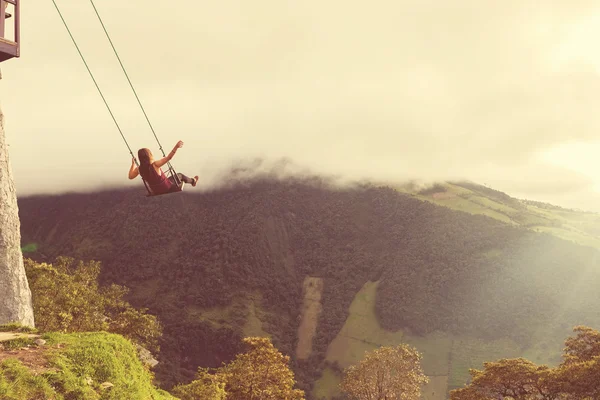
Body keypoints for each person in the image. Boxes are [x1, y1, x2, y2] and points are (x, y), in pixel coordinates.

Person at [128, 140, 198, 195]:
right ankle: (193, 181)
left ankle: (193, 181)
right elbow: (169, 157)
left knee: (167, 180)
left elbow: (130, 177)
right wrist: (176, 147)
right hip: (166, 188)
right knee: (180, 175)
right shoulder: (155, 165)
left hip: (155, 190)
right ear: (149, 155)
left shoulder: (139, 169)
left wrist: (133, 164)